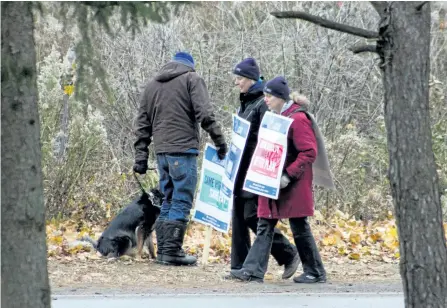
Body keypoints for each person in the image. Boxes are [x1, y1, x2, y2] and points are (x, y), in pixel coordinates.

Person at [230, 76, 334, 283]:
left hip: (293, 184)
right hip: (272, 182)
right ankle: (252, 271)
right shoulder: (275, 116)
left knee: (299, 226)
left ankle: (315, 271)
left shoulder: (297, 119)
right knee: (264, 224)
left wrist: (288, 175)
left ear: (280, 97)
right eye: (266, 95)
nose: (265, 99)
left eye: (269, 96)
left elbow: (309, 152)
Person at [133, 51, 228, 266]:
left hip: (162, 153)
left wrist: (140, 157)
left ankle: (166, 251)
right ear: (190, 65)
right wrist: (220, 142)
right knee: (182, 199)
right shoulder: (191, 79)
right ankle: (171, 251)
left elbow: (142, 125)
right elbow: (205, 114)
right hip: (183, 150)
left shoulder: (152, 86)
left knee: (168, 198)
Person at [228, 59, 299, 280]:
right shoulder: (245, 102)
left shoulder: (261, 103)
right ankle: (239, 266)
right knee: (239, 216)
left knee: (252, 215)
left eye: (239, 78)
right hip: (239, 168)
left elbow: (267, 138)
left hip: (254, 169)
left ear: (250, 79)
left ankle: (288, 253)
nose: (237, 83)